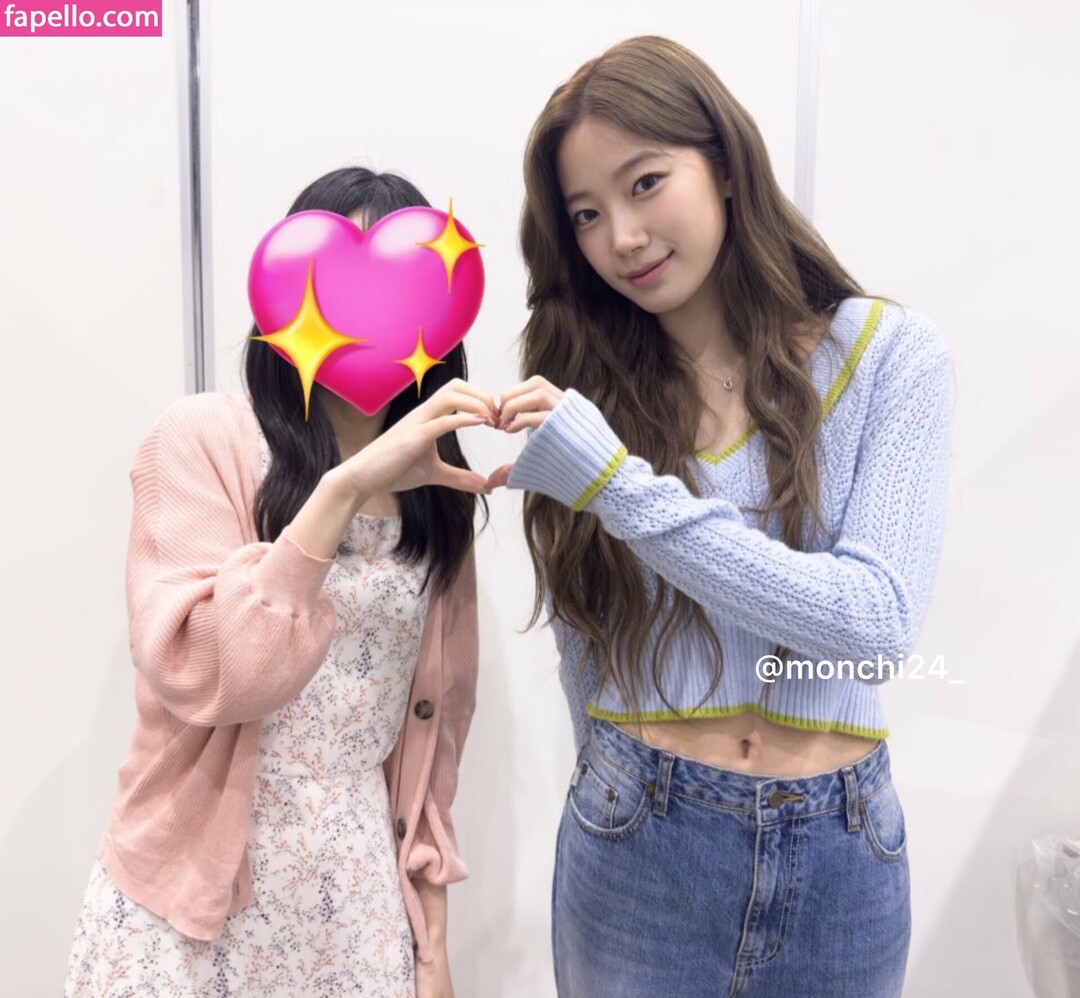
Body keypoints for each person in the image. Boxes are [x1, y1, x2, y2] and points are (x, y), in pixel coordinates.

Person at [493, 35, 953, 997]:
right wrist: (616, 795)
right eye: (587, 214)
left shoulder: (890, 356)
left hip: (841, 853)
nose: (623, 236)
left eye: (645, 182)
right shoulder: (590, 385)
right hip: (636, 839)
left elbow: (875, 624)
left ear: (727, 165)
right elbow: (589, 643)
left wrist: (618, 487)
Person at [64, 167, 497, 997]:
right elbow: (216, 673)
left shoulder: (437, 493)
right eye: (338, 289)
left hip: (353, 900)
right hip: (188, 907)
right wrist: (342, 491)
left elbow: (436, 743)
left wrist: (432, 943)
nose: (366, 315)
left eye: (397, 290)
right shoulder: (202, 439)